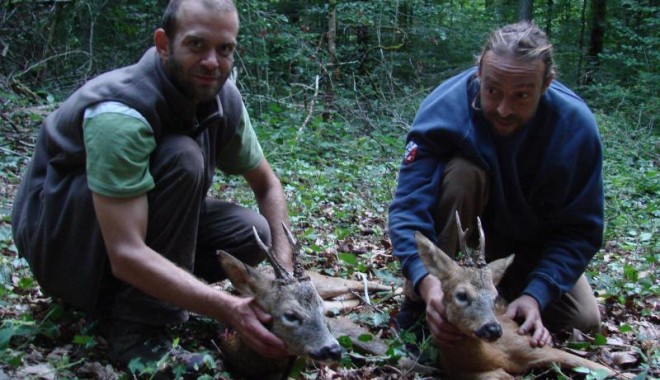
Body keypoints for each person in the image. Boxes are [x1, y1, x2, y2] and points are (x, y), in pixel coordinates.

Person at [11, 0, 293, 372]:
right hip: (64, 241)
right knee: (182, 157)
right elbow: (126, 252)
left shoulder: (220, 97)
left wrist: (284, 276)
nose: (212, 61)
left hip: (124, 228)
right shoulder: (121, 112)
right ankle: (138, 334)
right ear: (163, 44)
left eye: (224, 49)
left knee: (250, 232)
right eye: (196, 45)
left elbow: (268, 185)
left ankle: (129, 300)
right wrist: (225, 305)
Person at [388, 21, 603, 350]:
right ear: (479, 73)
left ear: (546, 84)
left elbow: (580, 231)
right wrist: (425, 281)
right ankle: (421, 311)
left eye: (521, 95)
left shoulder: (575, 129)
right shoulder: (445, 110)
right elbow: (407, 210)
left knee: (582, 319)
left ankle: (504, 301)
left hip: (528, 248)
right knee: (463, 172)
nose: (504, 108)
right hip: (462, 246)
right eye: (492, 90)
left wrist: (537, 294)